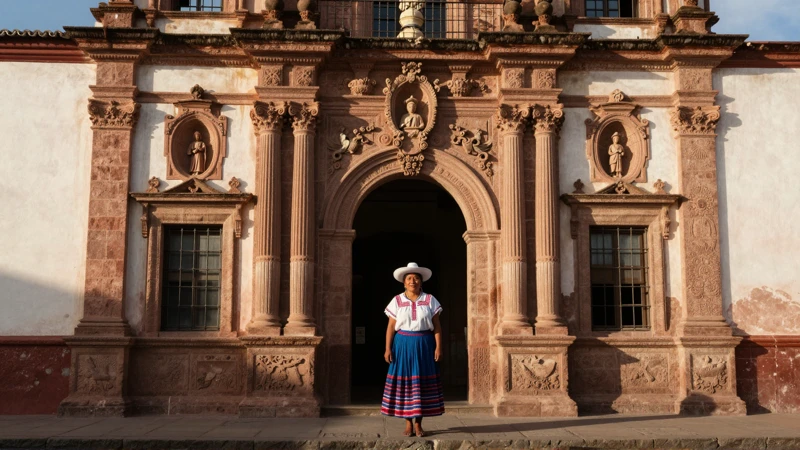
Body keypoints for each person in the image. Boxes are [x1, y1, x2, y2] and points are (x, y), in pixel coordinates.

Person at [381, 262, 444, 437]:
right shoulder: (397, 301)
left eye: (416, 278)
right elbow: (391, 326)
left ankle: (419, 424)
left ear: (421, 282)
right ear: (404, 282)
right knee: (406, 384)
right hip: (402, 345)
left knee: (421, 383)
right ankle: (408, 423)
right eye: (409, 278)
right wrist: (388, 348)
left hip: (424, 344)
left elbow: (437, 326)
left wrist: (439, 347)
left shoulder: (430, 300)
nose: (413, 281)